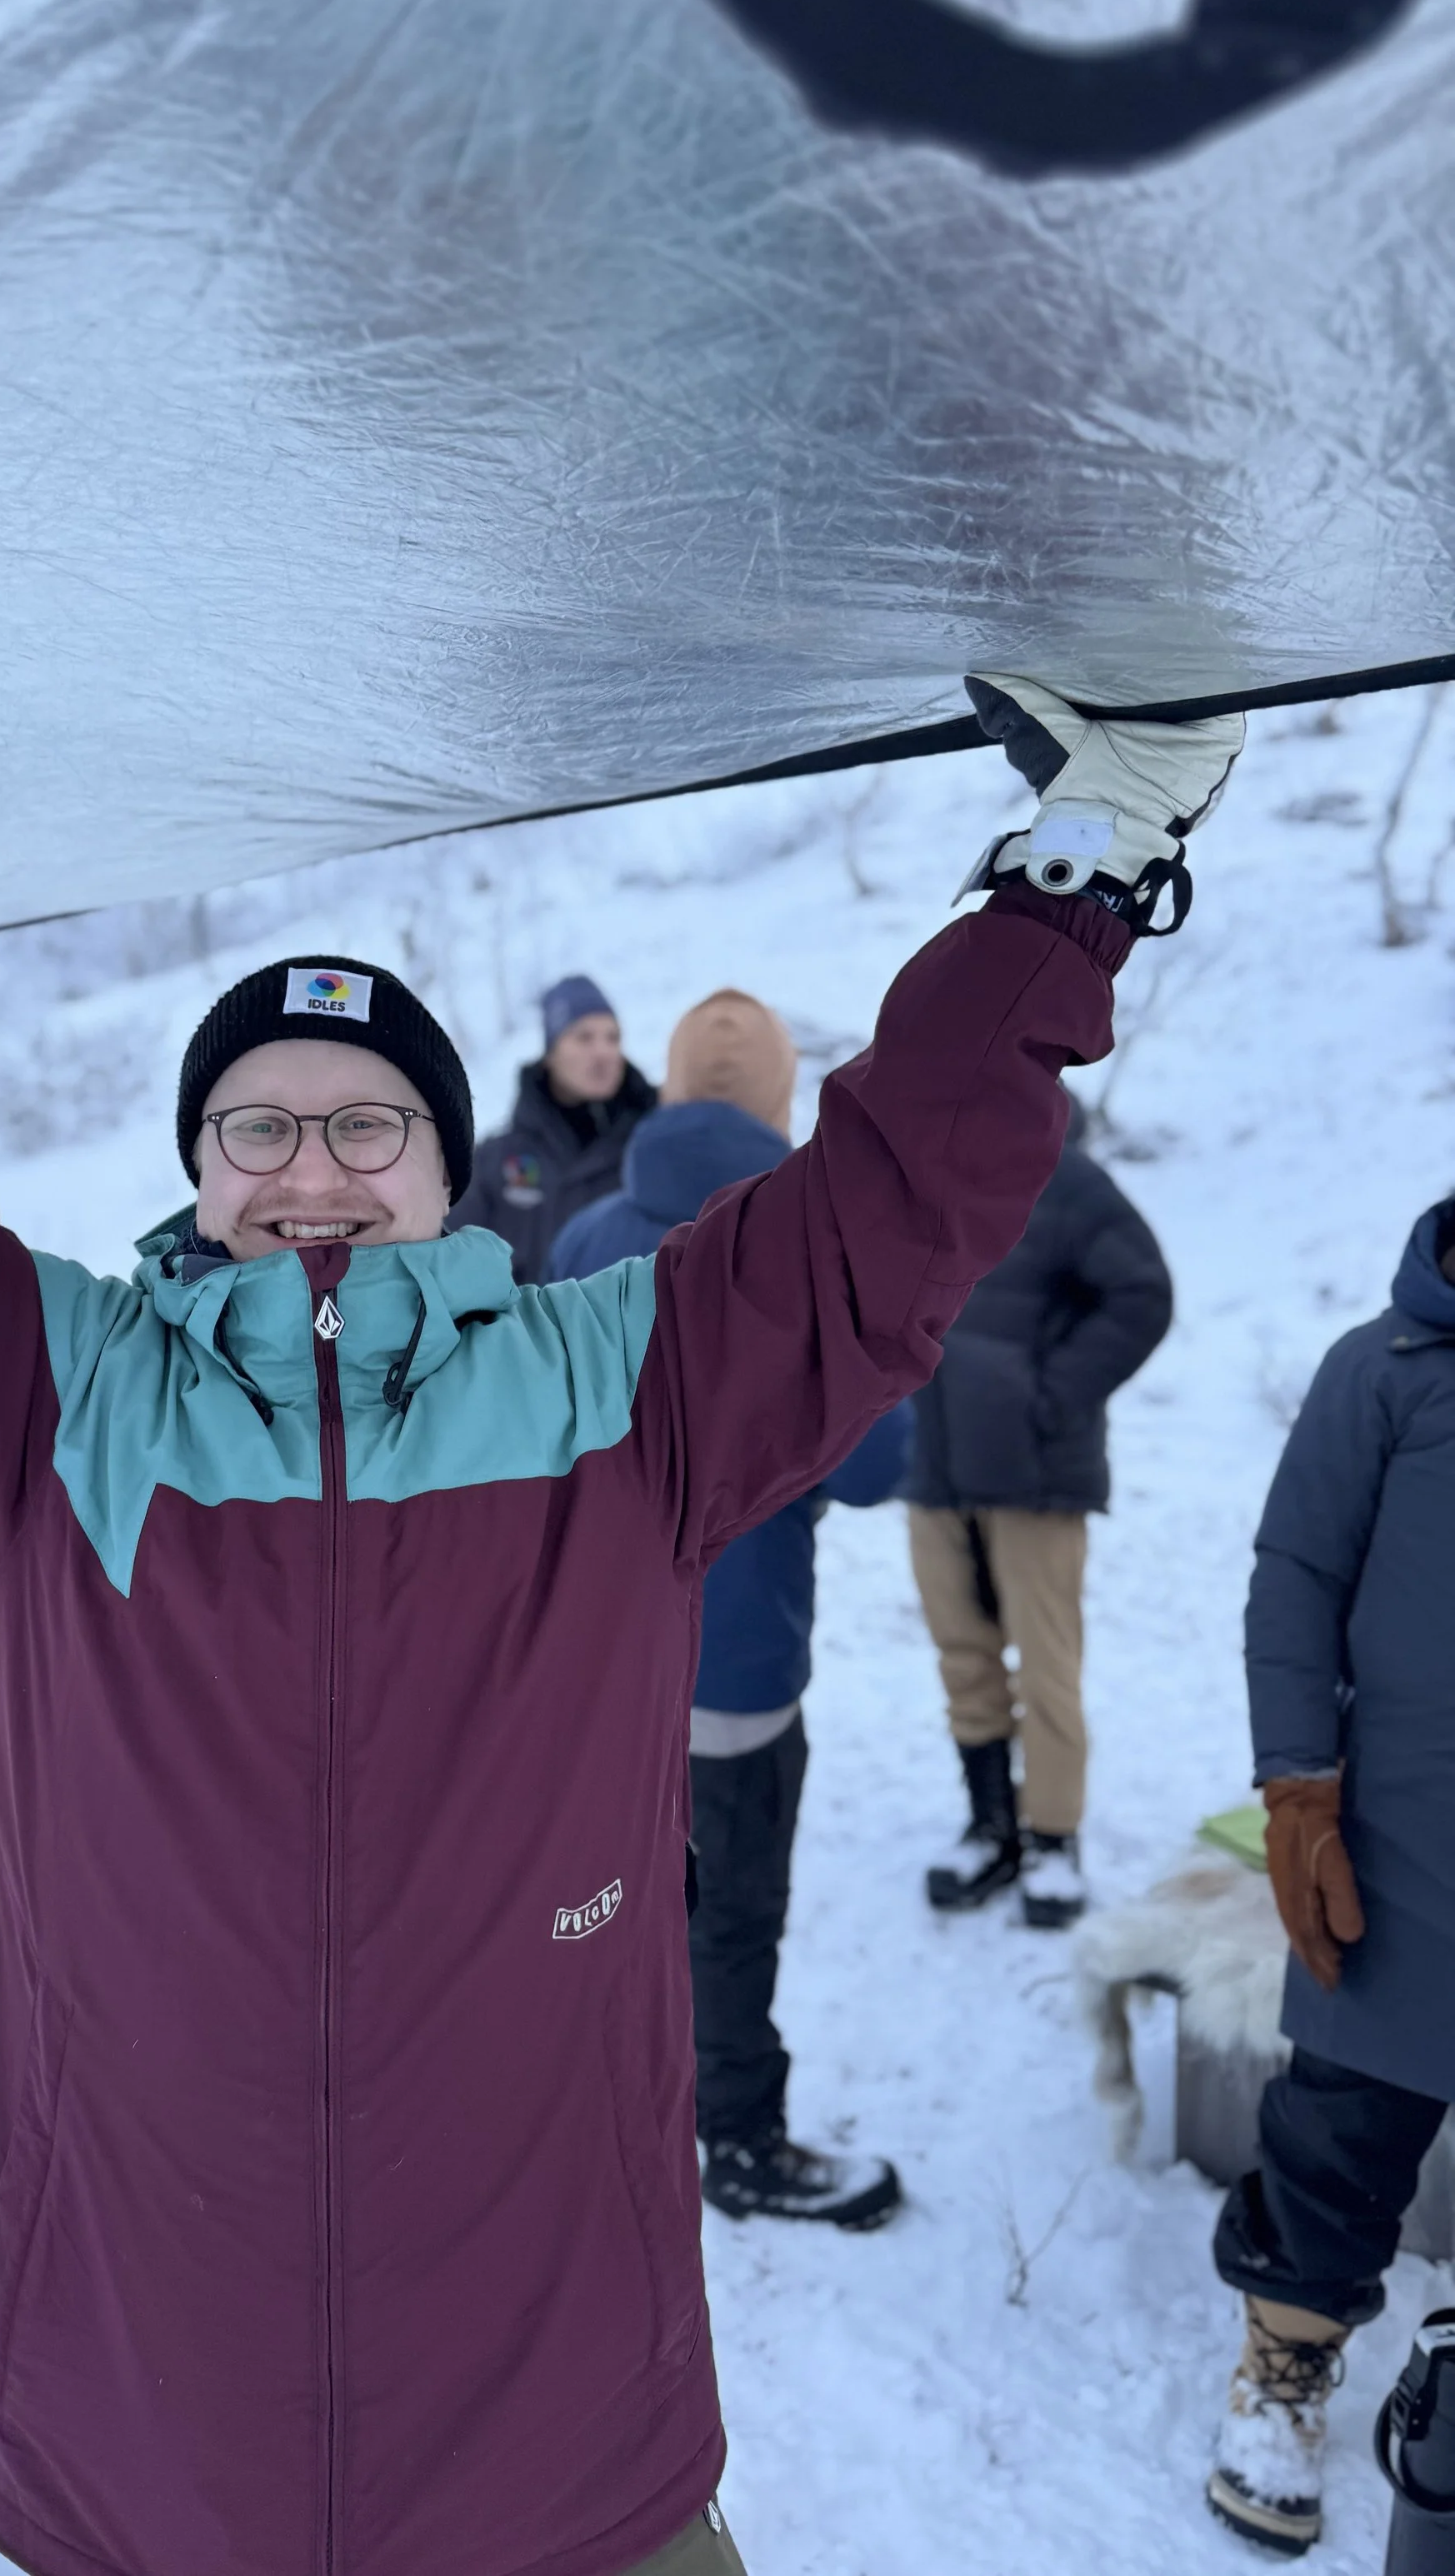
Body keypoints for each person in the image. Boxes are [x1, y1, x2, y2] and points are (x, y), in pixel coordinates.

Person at [0, 525, 1239, 2576]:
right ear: (196, 1169)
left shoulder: (622, 1389)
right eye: (256, 1123)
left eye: (366, 1124)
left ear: (446, 1172)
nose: (310, 1167)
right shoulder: (45, 1401)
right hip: (133, 2449)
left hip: (564, 2460)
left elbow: (891, 1204)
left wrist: (1076, 877)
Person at [552, 991, 912, 2231]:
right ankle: (742, 2145)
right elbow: (878, 1466)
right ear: (776, 1103)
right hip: (738, 1663)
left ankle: (599, 2119)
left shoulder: (586, 1230)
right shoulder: (812, 1256)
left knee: (604, 1900)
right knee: (732, 1915)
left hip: (593, 1657)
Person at [1203, 1194, 1455, 2559]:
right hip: (1407, 1841)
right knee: (1342, 2133)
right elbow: (1296, 1574)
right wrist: (1298, 1786)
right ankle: (1284, 2367)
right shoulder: (1387, 1371)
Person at [908, 1093, 1172, 1927]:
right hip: (935, 1462)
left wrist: (1049, 1396)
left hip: (1036, 1473)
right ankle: (990, 1826)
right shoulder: (928, 1174)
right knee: (962, 1653)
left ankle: (1053, 1837)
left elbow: (1143, 1294)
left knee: (1046, 1663)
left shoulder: (1069, 1180)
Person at [448, 971, 657, 1280]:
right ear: (551, 1054)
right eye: (584, 1037)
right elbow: (450, 1265)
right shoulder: (495, 1162)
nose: (604, 1052)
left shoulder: (651, 1147)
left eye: (613, 1038)